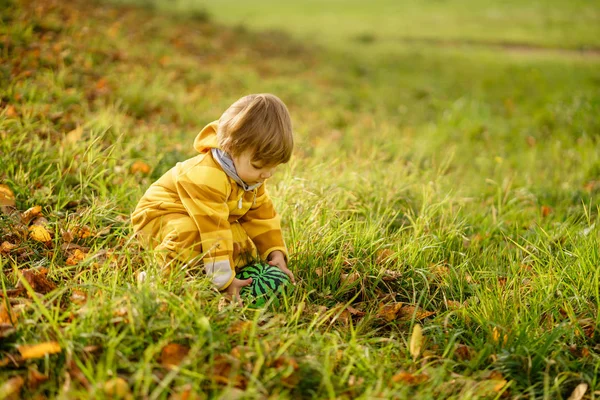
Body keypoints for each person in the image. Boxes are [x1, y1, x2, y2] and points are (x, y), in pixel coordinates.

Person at [131, 93, 295, 300]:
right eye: (258, 166)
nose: (267, 175)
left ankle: (198, 267)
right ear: (231, 148)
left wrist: (275, 253)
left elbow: (262, 216)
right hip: (159, 216)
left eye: (274, 167)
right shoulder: (207, 176)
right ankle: (159, 278)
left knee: (242, 243)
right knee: (189, 233)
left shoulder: (251, 179)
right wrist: (223, 281)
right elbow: (214, 228)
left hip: (206, 217)